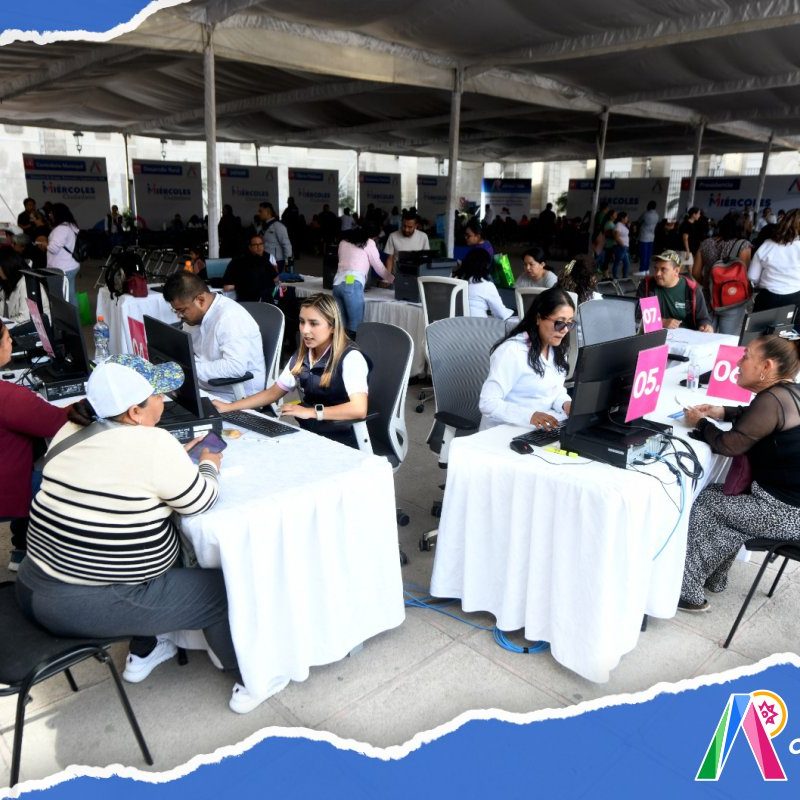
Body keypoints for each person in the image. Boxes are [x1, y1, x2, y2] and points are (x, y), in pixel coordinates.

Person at [13, 355, 266, 712]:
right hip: (77, 604)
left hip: (32, 582)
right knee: (222, 593)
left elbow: (117, 474)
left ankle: (145, 648)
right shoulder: (153, 444)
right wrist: (209, 463)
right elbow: (200, 500)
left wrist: (170, 460)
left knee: (162, 549)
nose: (165, 401)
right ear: (135, 412)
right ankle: (249, 678)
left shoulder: (70, 430)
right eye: (159, 395)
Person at [679, 335, 800, 612]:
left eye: (746, 356)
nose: (738, 362)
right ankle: (713, 579)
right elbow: (759, 416)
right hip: (789, 508)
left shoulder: (771, 400)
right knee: (729, 506)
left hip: (787, 514)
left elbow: (728, 445)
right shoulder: (791, 392)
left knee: (709, 501)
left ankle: (687, 591)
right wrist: (723, 411)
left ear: (767, 366)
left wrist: (701, 423)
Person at [212, 293, 369, 448]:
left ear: (333, 326)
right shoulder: (303, 355)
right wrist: (229, 407)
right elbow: (273, 393)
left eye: (313, 323)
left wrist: (311, 412)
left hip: (341, 441)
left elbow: (359, 409)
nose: (305, 330)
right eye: (302, 322)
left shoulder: (351, 358)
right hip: (311, 434)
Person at [0, 320, 90, 570]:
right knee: (68, 477)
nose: (11, 341)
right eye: (6, 338)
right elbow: (57, 422)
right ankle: (58, 561)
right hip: (7, 489)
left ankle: (22, 549)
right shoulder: (8, 397)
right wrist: (94, 399)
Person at [479, 287, 574, 431]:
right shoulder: (512, 351)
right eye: (559, 323)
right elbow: (488, 403)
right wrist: (530, 416)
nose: (565, 330)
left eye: (569, 323)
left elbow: (553, 391)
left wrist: (565, 404)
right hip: (505, 430)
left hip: (541, 428)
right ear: (538, 318)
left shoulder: (557, 349)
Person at [162, 272, 265, 400]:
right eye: (176, 311)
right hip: (204, 386)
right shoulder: (195, 317)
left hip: (235, 393)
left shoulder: (230, 318)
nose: (179, 316)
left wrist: (190, 369)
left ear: (200, 300)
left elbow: (235, 367)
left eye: (182, 310)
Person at [692, 213, 752, 334]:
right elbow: (745, 275)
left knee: (705, 336)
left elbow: (695, 272)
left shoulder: (706, 243)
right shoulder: (743, 245)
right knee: (727, 338)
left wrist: (709, 285)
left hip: (708, 298)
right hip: (732, 299)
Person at [332, 225, 394, 336]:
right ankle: (352, 347)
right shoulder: (368, 243)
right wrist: (392, 279)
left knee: (340, 326)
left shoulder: (343, 242)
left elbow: (348, 267)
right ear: (373, 236)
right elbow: (378, 267)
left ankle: (339, 347)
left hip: (337, 284)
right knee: (355, 326)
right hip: (351, 284)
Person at [636, 250, 713, 332]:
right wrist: (662, 322)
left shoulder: (691, 289)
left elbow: (703, 318)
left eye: (663, 269)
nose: (657, 274)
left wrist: (706, 326)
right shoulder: (647, 286)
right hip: (654, 335)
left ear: (676, 271)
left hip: (685, 336)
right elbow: (638, 317)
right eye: (656, 269)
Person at [748, 208, 800, 313]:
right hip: (796, 299)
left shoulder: (767, 244)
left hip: (768, 299)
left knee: (761, 323)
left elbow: (752, 276)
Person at [453, 248, 514, 321]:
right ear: (486, 266)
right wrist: (511, 312)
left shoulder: (454, 280)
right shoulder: (486, 285)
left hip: (453, 324)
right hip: (477, 325)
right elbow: (501, 314)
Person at [221, 234, 277, 301]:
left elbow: (276, 279)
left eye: (260, 244)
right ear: (250, 247)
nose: (259, 247)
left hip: (262, 300)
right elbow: (227, 287)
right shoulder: (237, 262)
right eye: (255, 245)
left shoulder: (265, 260)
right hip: (249, 300)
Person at [46, 202, 80, 305]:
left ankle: (70, 315)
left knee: (65, 297)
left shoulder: (61, 229)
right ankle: (73, 314)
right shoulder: (71, 225)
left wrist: (45, 244)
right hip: (70, 265)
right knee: (70, 295)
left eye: (51, 213)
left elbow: (53, 248)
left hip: (62, 268)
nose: (50, 215)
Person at [256, 201, 292, 269]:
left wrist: (288, 265)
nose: (258, 213)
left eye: (260, 211)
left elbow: (287, 245)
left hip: (277, 261)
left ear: (267, 212)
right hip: (263, 260)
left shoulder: (278, 226)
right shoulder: (260, 227)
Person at [638, 200, 659, 272]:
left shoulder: (646, 214)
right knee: (648, 254)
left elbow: (639, 221)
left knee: (643, 254)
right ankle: (647, 269)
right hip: (652, 236)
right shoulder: (657, 215)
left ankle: (642, 270)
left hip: (644, 236)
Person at [612, 211, 631, 279]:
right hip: (620, 247)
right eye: (626, 217)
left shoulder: (623, 225)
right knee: (617, 262)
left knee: (626, 263)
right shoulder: (618, 225)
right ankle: (615, 277)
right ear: (622, 218)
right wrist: (622, 245)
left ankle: (624, 277)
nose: (627, 218)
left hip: (624, 247)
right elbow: (616, 236)